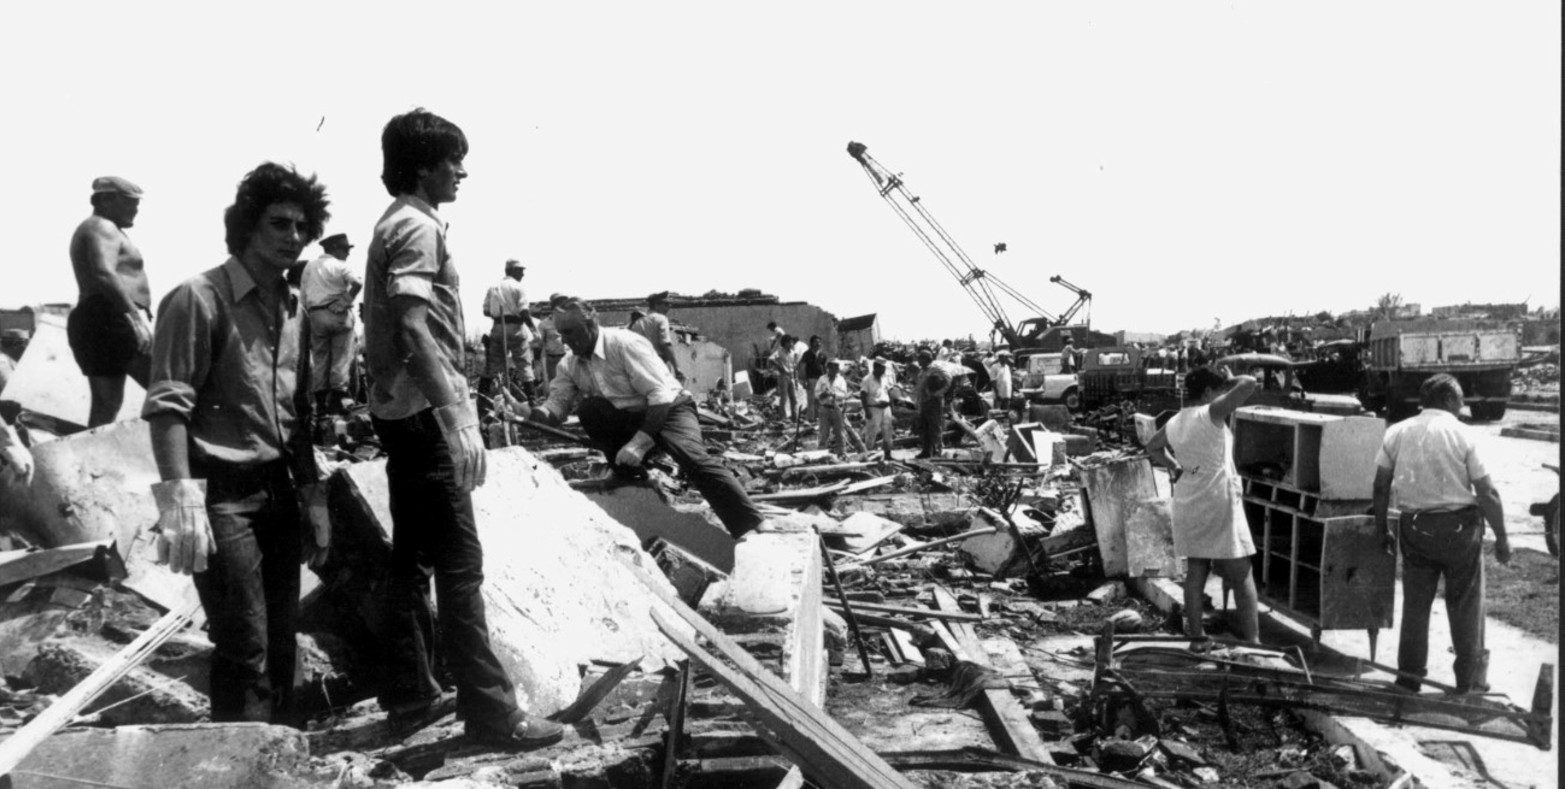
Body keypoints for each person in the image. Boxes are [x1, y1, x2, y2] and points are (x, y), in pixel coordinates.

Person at [362, 109, 562, 748]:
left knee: (412, 559)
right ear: (424, 165)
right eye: (454, 160)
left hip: (400, 413)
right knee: (460, 565)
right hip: (425, 415)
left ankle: (411, 696)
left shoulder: (396, 223)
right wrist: (457, 417)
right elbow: (414, 327)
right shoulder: (417, 227)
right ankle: (493, 716)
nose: (462, 171)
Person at [141, 162, 331, 725]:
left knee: (281, 643)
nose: (293, 238)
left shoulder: (294, 308)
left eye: (302, 226)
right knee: (244, 646)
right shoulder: (198, 299)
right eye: (278, 224)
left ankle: (282, 762)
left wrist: (313, 497)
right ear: (247, 226)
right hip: (220, 497)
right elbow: (167, 406)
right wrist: (179, 500)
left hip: (278, 492)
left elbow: (297, 414)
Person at [516, 299, 764, 540]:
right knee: (590, 409)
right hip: (631, 415)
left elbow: (660, 394)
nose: (565, 340)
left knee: (692, 459)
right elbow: (556, 407)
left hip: (670, 409)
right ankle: (628, 475)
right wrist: (528, 413)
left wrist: (639, 444)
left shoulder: (625, 344)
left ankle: (751, 524)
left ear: (591, 324)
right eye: (561, 333)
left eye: (570, 332)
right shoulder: (570, 364)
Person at [1373, 374, 1508, 694]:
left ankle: (1409, 678)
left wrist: (1382, 529)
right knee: (1466, 605)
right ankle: (1470, 682)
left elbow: (1380, 485)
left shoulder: (1397, 431)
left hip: (1415, 528)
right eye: (1460, 400)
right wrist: (1502, 537)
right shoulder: (1464, 434)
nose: (1463, 407)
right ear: (1448, 400)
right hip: (1461, 531)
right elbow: (1487, 492)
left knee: (1415, 606)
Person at [1145, 366, 1261, 645]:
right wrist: (1230, 378)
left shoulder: (1175, 420)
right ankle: (1254, 641)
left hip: (1188, 496)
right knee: (1241, 572)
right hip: (1216, 497)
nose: (1223, 394)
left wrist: (1174, 468)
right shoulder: (1211, 412)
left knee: (1196, 570)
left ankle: (1197, 637)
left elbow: (1152, 446)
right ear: (1208, 392)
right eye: (1219, 390)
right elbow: (1250, 382)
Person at [69, 176, 154, 428]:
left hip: (98, 318)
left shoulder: (98, 227)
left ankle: (92, 466)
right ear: (106, 200)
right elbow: (104, 273)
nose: (135, 209)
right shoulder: (102, 226)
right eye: (129, 202)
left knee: (106, 408)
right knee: (168, 387)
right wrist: (135, 319)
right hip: (111, 316)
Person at [300, 232, 363, 415]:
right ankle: (338, 398)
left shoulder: (310, 267)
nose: (347, 253)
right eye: (345, 249)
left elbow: (304, 296)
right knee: (341, 357)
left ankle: (321, 404)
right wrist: (344, 301)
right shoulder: (340, 265)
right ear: (335, 249)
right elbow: (357, 283)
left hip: (316, 314)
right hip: (338, 314)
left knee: (320, 359)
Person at [480, 259, 536, 405]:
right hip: (516, 328)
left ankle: (499, 401)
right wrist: (534, 331)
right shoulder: (518, 287)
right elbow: (524, 311)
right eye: (521, 271)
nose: (523, 274)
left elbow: (486, 311)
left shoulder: (493, 288)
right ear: (514, 271)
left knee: (497, 368)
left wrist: (499, 312)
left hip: (498, 328)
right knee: (523, 364)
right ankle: (532, 401)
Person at [813, 361, 865, 455]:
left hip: (837, 408)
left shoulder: (841, 380)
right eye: (832, 367)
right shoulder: (822, 379)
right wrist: (823, 394)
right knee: (823, 433)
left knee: (839, 432)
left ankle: (842, 453)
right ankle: (820, 454)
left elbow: (845, 395)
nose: (834, 370)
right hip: (825, 408)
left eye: (836, 368)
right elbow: (816, 394)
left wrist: (834, 394)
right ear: (828, 368)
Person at [913, 350, 951, 459]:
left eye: (921, 358)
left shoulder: (935, 369)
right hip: (924, 402)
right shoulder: (922, 372)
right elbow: (920, 388)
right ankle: (926, 451)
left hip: (934, 402)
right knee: (924, 428)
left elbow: (949, 379)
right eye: (919, 358)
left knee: (935, 427)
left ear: (928, 359)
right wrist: (918, 402)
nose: (919, 361)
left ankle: (937, 451)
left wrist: (938, 393)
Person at [635, 291, 679, 377]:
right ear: (656, 305)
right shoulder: (661, 318)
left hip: (640, 366)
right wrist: (677, 367)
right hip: (658, 364)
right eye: (666, 304)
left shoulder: (638, 321)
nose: (669, 307)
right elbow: (665, 344)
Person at [860, 358, 898, 455]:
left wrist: (892, 408)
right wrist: (866, 411)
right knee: (871, 432)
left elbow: (889, 392)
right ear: (875, 367)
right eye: (882, 368)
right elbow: (863, 395)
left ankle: (888, 454)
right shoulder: (867, 380)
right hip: (874, 408)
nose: (884, 370)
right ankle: (869, 454)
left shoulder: (885, 378)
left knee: (888, 431)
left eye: (884, 368)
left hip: (886, 408)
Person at [771, 335, 801, 420]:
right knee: (784, 398)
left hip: (791, 376)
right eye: (789, 342)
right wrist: (780, 367)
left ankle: (795, 417)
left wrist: (796, 379)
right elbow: (771, 359)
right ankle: (783, 418)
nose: (791, 344)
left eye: (792, 342)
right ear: (785, 343)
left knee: (794, 398)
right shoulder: (779, 351)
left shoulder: (792, 352)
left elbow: (794, 366)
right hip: (783, 377)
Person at [800, 336, 828, 421]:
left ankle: (819, 417)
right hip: (811, 379)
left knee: (821, 399)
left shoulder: (822, 355)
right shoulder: (807, 354)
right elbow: (803, 367)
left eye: (819, 342)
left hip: (821, 380)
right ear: (811, 343)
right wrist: (804, 380)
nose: (818, 344)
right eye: (816, 342)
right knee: (811, 399)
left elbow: (824, 368)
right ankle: (811, 418)